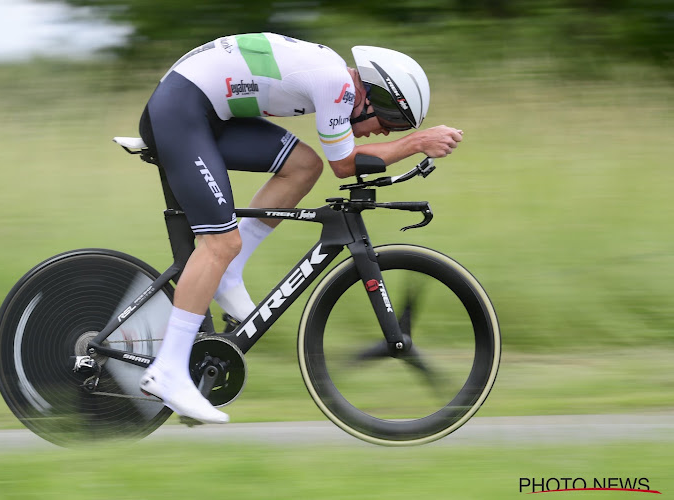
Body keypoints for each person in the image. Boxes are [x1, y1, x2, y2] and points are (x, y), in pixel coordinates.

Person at [137, 33, 463, 424]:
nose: (385, 132)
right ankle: (167, 369)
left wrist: (408, 142)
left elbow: (332, 161)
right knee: (221, 242)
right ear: (375, 97)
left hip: (206, 113)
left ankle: (229, 276)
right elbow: (344, 164)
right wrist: (416, 142)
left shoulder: (334, 79)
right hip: (181, 111)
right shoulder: (337, 85)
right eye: (391, 121)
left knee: (303, 165)